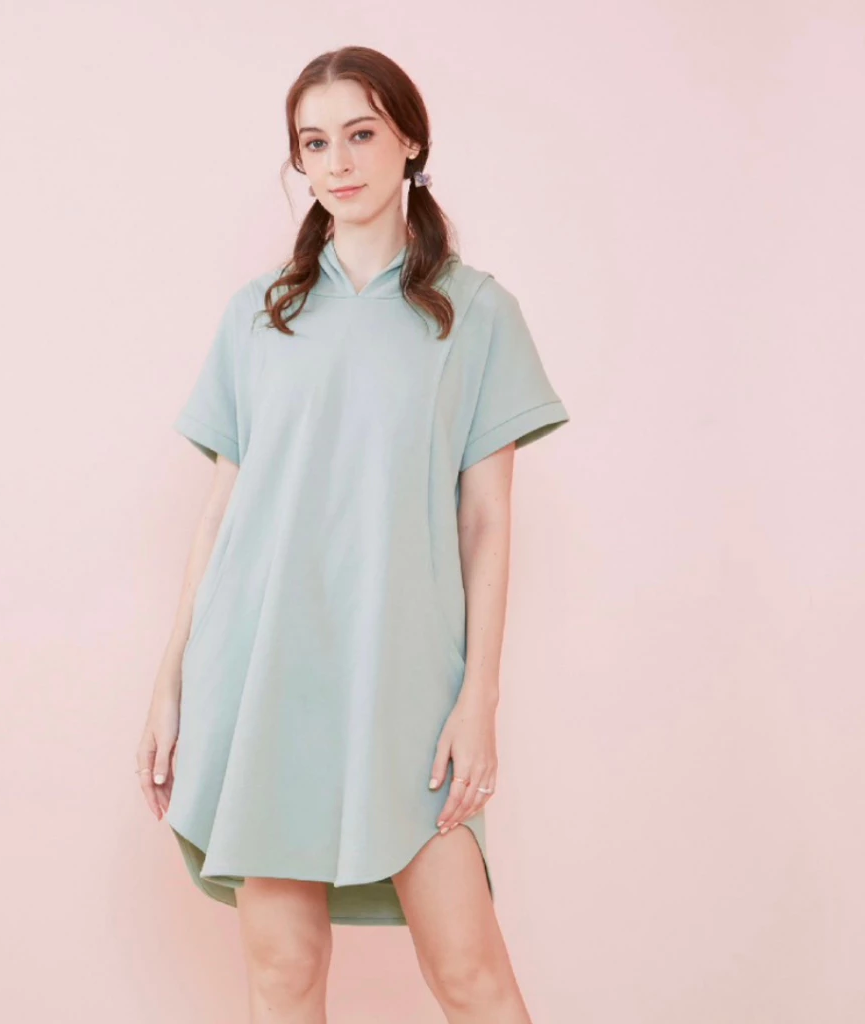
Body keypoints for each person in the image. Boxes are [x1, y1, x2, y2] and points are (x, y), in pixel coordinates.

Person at [137, 45, 569, 1024]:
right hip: (261, 670)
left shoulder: (477, 313)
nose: (337, 161)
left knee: (470, 974)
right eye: (314, 142)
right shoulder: (260, 315)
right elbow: (222, 511)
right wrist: (170, 681)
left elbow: (487, 520)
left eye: (361, 133)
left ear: (409, 141)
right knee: (283, 973)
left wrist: (479, 698)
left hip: (402, 678)